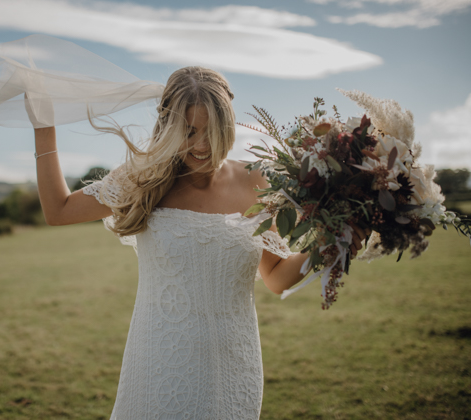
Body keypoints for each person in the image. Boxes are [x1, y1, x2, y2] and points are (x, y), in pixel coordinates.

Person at [27, 66, 368, 418]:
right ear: (168, 128)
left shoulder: (259, 182)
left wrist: (331, 246)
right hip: (160, 367)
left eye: (213, 131)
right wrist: (43, 127)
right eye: (188, 131)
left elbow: (275, 275)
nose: (202, 145)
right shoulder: (143, 179)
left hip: (233, 370)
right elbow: (59, 210)